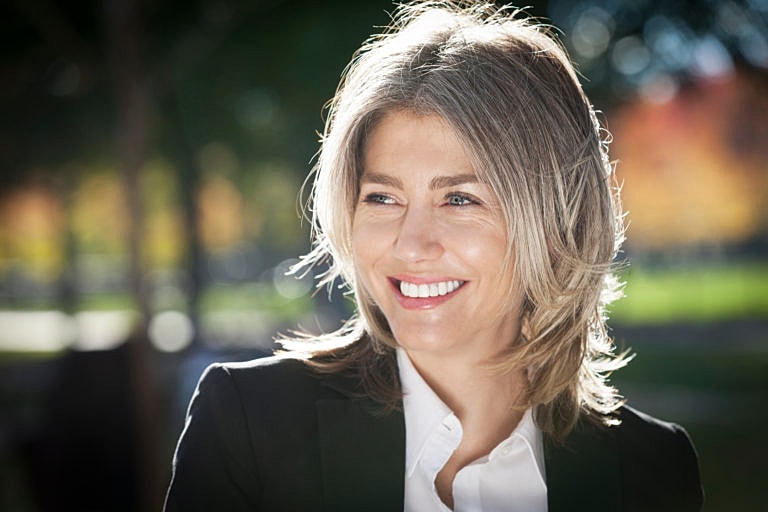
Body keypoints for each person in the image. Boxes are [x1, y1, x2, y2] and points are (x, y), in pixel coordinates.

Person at [164, 2, 704, 511]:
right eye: (383, 197)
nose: (411, 244)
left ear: (556, 219)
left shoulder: (652, 470)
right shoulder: (246, 424)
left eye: (459, 199)